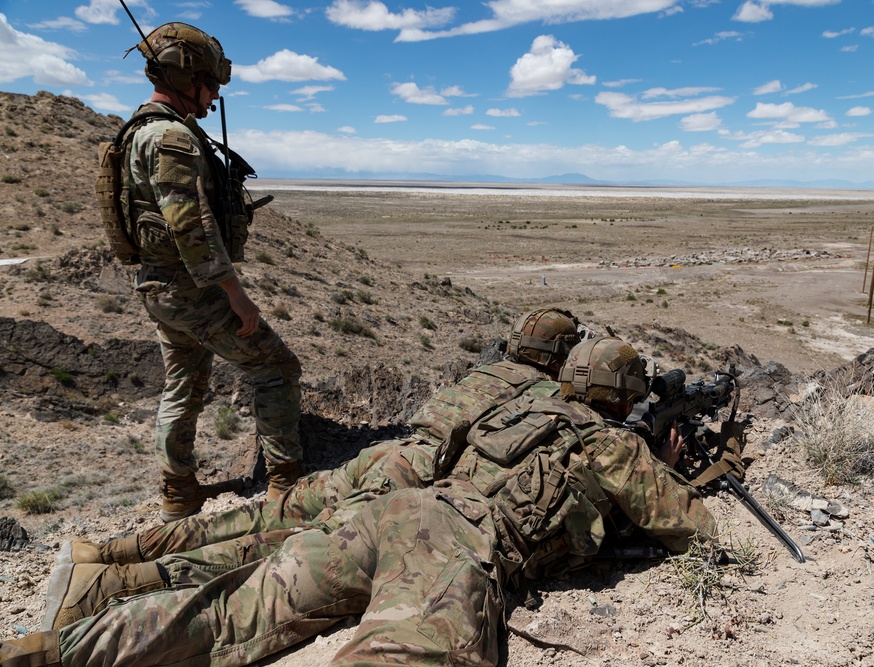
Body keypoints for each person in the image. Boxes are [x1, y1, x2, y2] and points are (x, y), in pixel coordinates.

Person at [1, 337, 717, 666]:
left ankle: (48, 652)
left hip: (387, 511)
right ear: (624, 399)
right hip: (448, 541)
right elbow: (693, 528)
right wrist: (669, 466)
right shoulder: (613, 446)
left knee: (225, 612)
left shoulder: (512, 413)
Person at [53, 307, 581, 568]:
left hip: (384, 454)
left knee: (268, 515)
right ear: (559, 355)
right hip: (416, 472)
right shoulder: (543, 394)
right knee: (294, 548)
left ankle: (116, 551)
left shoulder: (482, 375)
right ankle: (130, 583)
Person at [117, 23, 303, 521]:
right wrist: (236, 296)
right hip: (191, 288)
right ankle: (287, 484)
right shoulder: (171, 138)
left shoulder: (138, 129)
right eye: (211, 83)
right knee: (276, 367)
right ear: (187, 76)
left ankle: (178, 492)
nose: (215, 94)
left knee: (185, 382)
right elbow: (190, 227)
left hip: (159, 287)